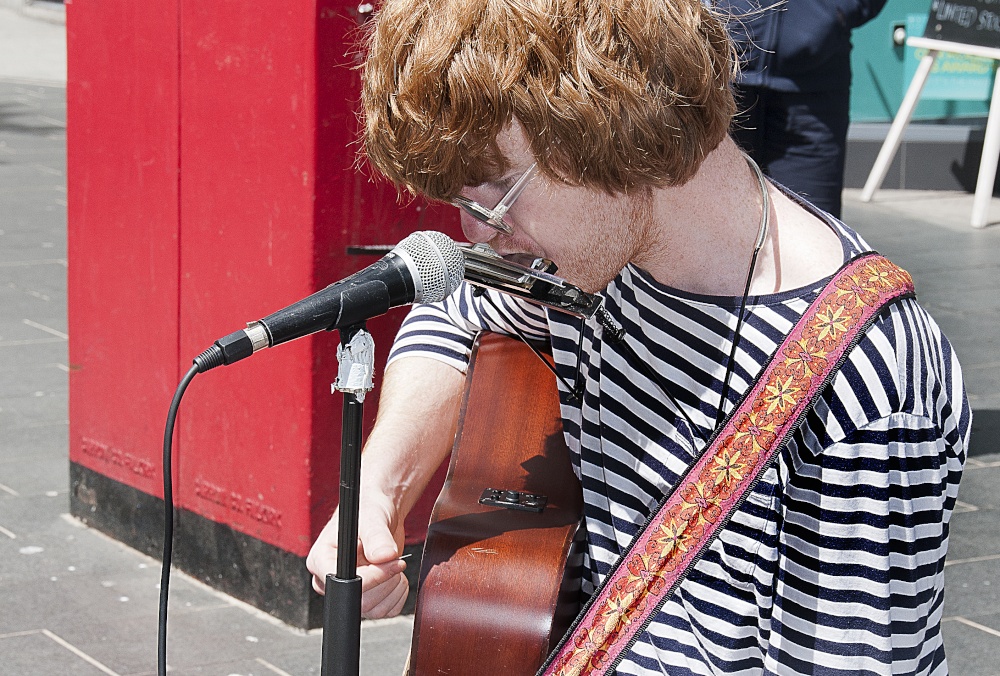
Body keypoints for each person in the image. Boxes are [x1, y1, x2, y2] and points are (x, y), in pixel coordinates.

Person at [306, 0, 971, 672]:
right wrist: (384, 490)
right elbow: (455, 311)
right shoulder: (578, 258)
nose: (476, 234)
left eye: (497, 191)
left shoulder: (858, 384)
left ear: (611, 118)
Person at [719, 0, 888, 218]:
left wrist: (834, 12)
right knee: (707, 230)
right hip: (719, 78)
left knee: (815, 230)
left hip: (813, 92)